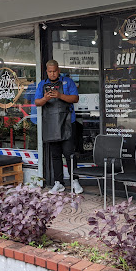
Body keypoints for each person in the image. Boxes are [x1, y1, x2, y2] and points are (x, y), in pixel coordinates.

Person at [35, 60, 82, 194]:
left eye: (54, 71)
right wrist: (45, 99)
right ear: (46, 72)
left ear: (58, 70)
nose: (52, 73)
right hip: (50, 123)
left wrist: (60, 95)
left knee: (69, 153)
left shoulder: (68, 82)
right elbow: (37, 102)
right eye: (50, 71)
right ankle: (58, 183)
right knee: (55, 155)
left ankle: (75, 180)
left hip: (67, 122)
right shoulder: (42, 84)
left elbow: (75, 98)